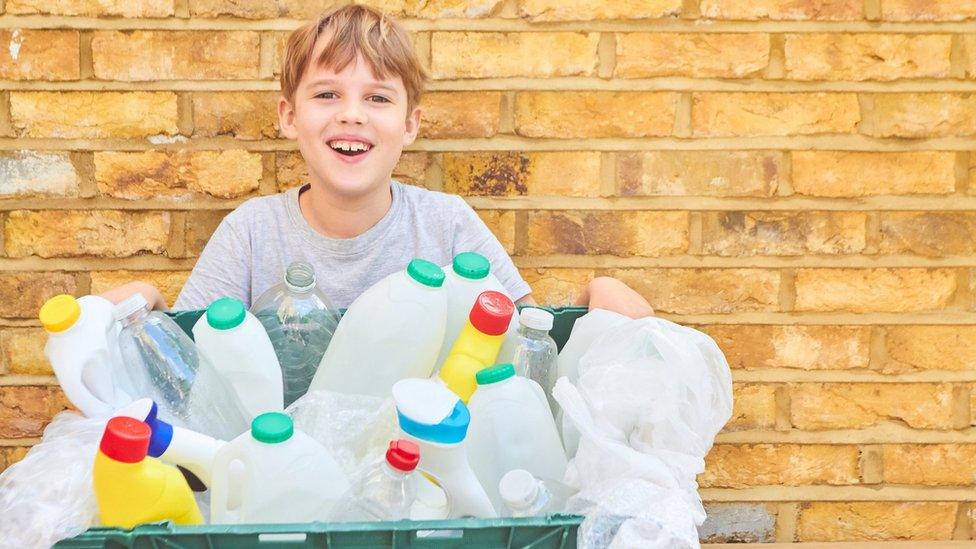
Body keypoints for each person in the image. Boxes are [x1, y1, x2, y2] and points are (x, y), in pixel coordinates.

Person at [99, 4, 654, 319]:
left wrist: (592, 307)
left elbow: (525, 342)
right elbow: (187, 366)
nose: (352, 116)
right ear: (289, 117)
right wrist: (143, 310)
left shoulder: (446, 224)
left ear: (410, 125)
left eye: (378, 98)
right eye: (326, 95)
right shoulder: (251, 234)